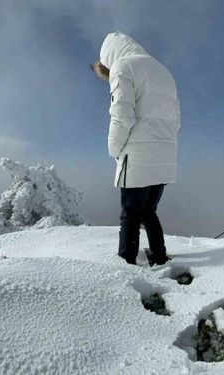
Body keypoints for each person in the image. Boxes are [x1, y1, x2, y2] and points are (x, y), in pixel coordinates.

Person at [91, 32, 180, 266]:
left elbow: (121, 115)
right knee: (149, 210)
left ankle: (126, 263)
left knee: (130, 214)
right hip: (165, 154)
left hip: (137, 155)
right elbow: (175, 119)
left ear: (108, 54)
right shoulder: (163, 71)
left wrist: (114, 149)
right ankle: (159, 256)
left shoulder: (123, 67)